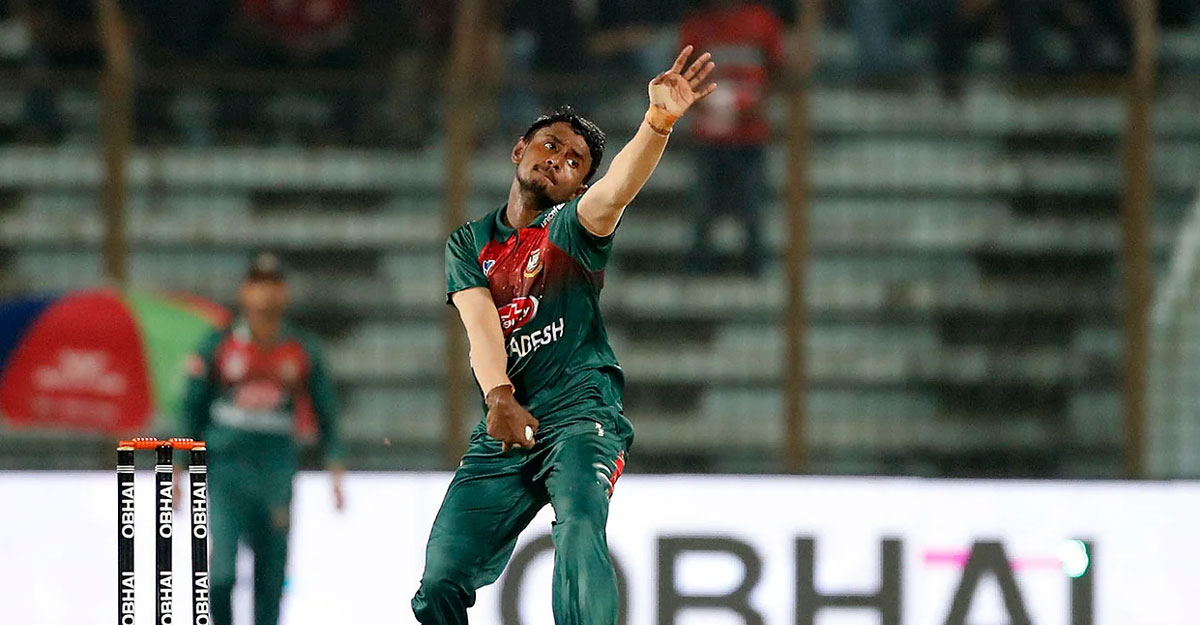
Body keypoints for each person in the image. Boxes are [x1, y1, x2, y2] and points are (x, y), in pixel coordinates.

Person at [411, 46, 716, 625]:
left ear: (578, 187)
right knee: (439, 581)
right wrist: (499, 397)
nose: (558, 160)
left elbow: (617, 188)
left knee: (578, 524)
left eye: (575, 161)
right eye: (550, 145)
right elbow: (481, 327)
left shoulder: (573, 227)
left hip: (581, 411)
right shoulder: (469, 242)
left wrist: (658, 122)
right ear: (519, 150)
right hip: (510, 418)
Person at [182, 252, 345, 625]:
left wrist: (335, 468)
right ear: (244, 292)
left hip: (275, 473)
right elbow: (192, 409)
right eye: (258, 284)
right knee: (220, 575)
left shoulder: (301, 349)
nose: (265, 294)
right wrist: (178, 468)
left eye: (273, 285)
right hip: (226, 472)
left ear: (285, 293)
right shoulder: (220, 344)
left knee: (270, 580)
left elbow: (327, 413)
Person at [679, 0, 783, 275]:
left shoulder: (762, 21)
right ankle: (700, 266)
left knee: (752, 206)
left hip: (750, 133)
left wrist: (759, 105)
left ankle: (753, 265)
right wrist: (700, 106)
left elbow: (777, 69)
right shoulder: (696, 25)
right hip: (709, 134)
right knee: (703, 207)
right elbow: (680, 75)